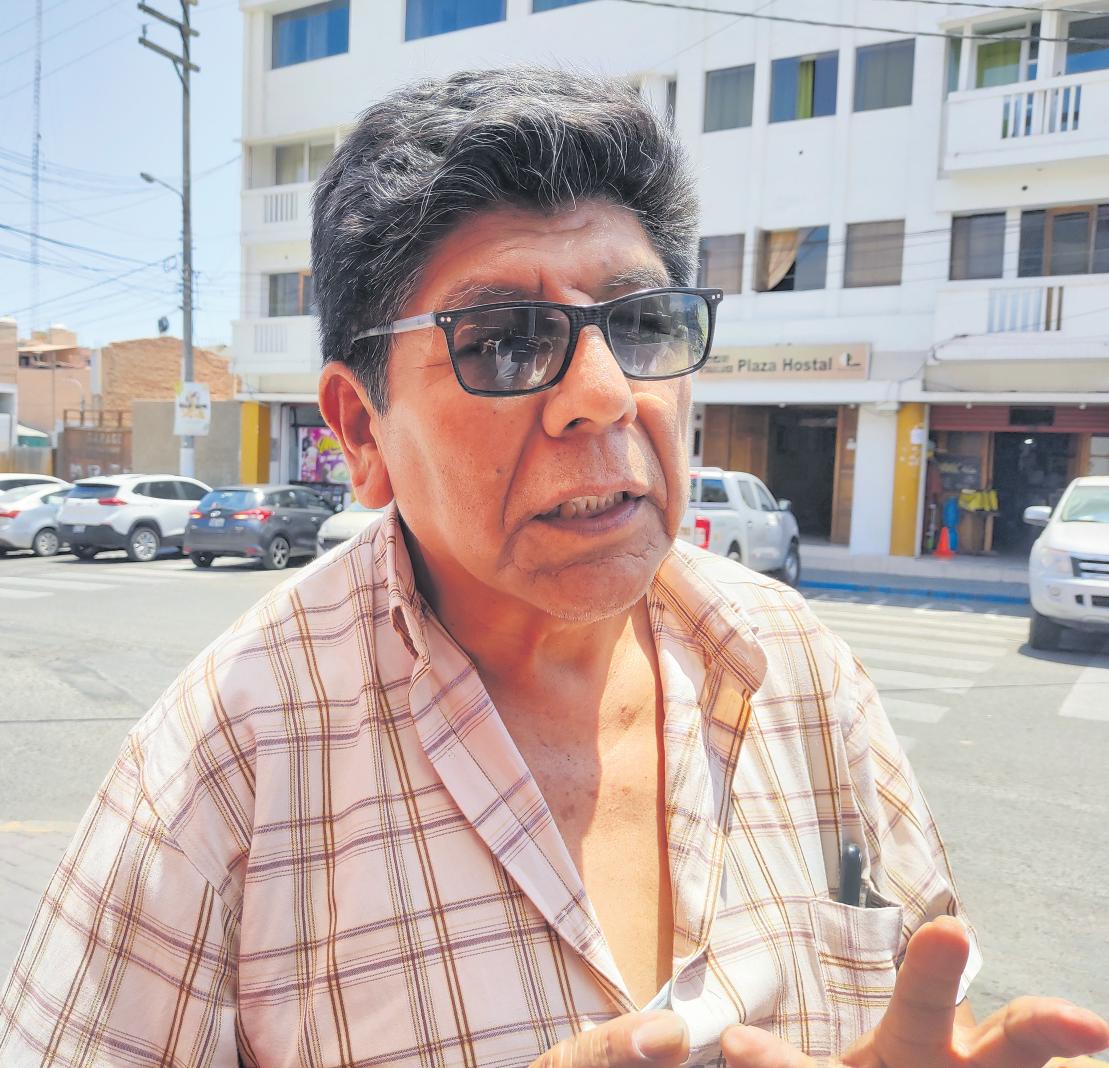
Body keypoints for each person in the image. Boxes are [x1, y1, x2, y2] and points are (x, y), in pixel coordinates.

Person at [0, 68, 1104, 1068]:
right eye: (504, 341)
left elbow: (920, 1010)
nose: (607, 395)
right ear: (362, 432)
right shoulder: (226, 765)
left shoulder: (799, 672)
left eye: (642, 323)